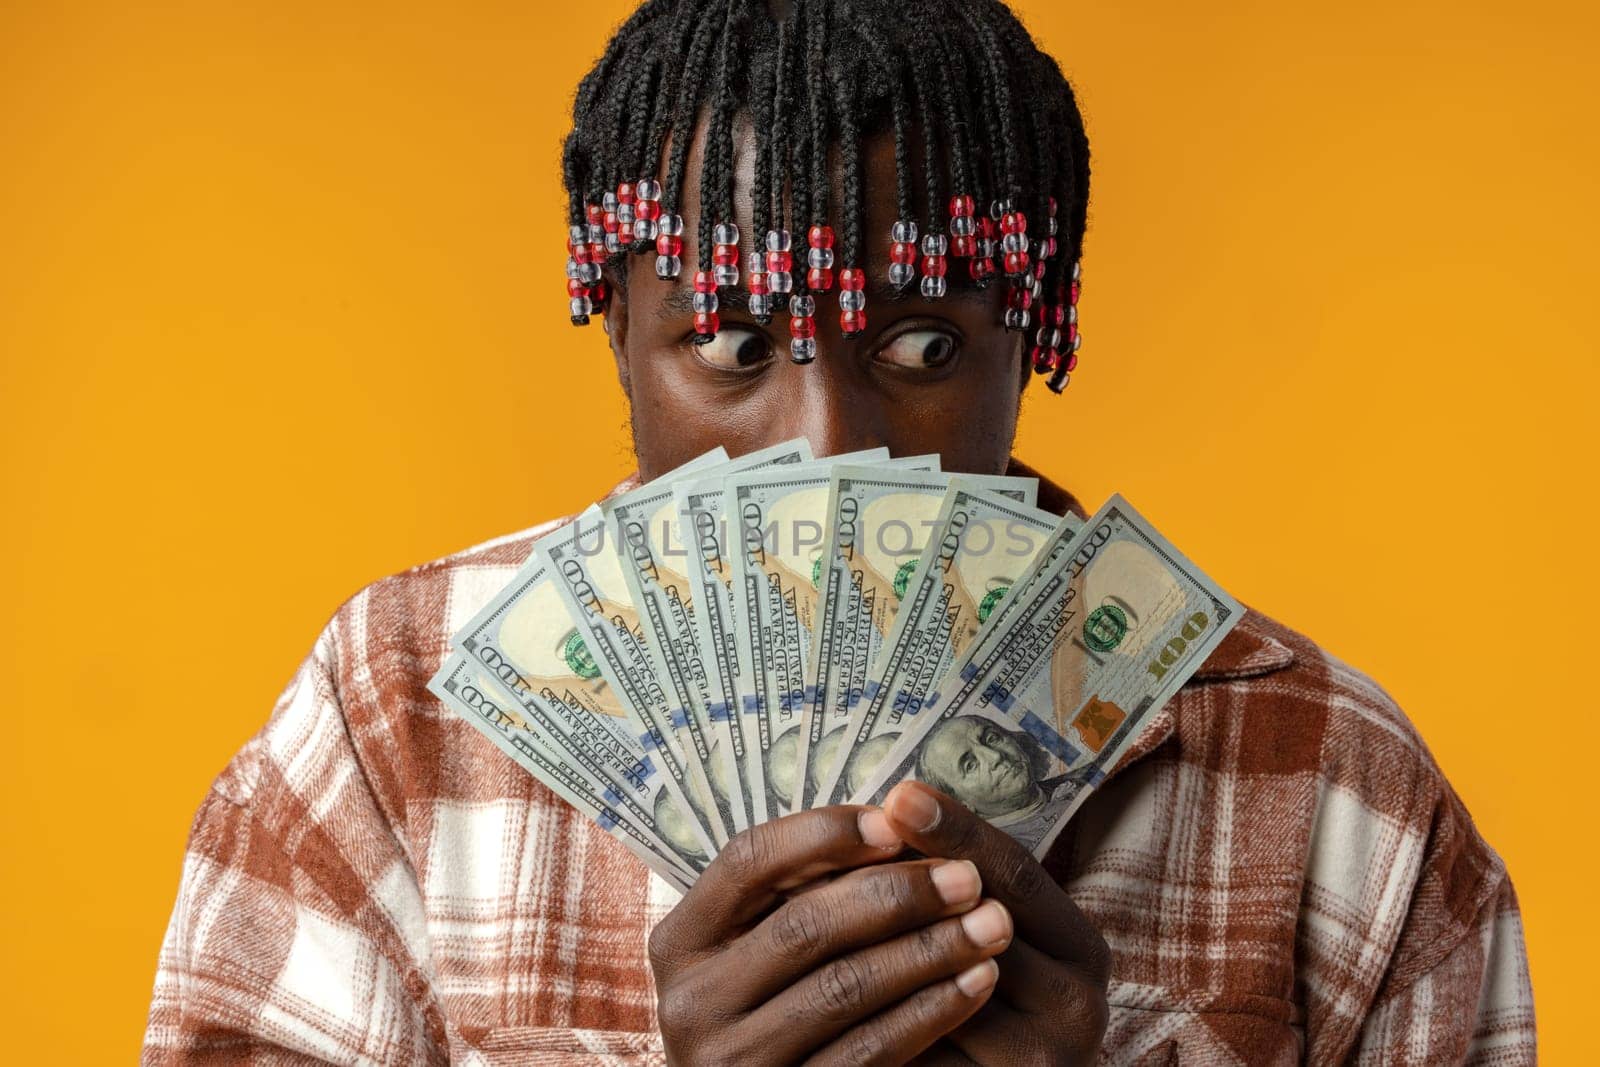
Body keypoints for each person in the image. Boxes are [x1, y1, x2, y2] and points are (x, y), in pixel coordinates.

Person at [143, 0, 1536, 1062]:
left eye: (926, 341)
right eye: (735, 340)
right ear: (618, 332)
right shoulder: (391, 723)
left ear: (1031, 339)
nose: (831, 451)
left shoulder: (1340, 790)